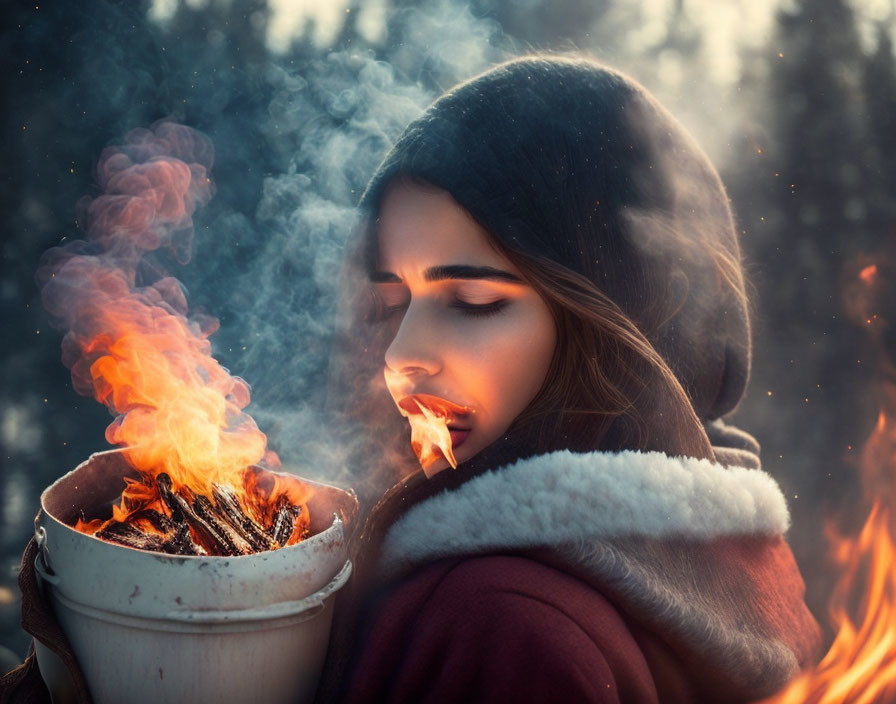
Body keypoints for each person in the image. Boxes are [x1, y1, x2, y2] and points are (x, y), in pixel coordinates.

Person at [316, 55, 821, 703]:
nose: (400, 355)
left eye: (472, 302)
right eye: (391, 306)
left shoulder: (496, 622)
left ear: (625, 318)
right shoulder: (750, 570)